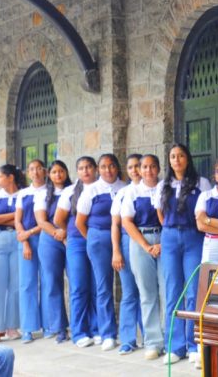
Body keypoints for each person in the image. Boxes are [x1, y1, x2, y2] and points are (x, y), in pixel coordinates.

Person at [155, 144, 211, 367]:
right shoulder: (163, 185)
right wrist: (170, 229)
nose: (177, 160)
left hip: (193, 237)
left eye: (180, 156)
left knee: (194, 290)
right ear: (169, 160)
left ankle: (194, 345)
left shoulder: (201, 183)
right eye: (173, 156)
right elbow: (160, 213)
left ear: (187, 159)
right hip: (169, 237)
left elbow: (204, 212)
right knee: (172, 291)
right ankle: (174, 346)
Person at [75, 154, 126, 352]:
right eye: (103, 167)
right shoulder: (91, 190)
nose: (108, 170)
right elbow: (80, 222)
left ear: (117, 167)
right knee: (104, 288)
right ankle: (108, 334)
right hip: (99, 239)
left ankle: (131, 332)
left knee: (130, 286)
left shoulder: (125, 187)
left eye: (111, 166)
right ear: (98, 169)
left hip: (123, 239)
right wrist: (93, 240)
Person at [121, 154, 164, 360]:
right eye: (144, 167)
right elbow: (127, 222)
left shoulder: (165, 188)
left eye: (152, 166)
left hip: (164, 240)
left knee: (167, 291)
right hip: (141, 241)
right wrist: (146, 246)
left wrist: (162, 243)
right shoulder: (132, 191)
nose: (148, 170)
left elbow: (170, 217)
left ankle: (171, 339)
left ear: (158, 168)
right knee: (147, 293)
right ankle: (153, 342)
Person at [54, 156, 99, 348]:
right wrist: (70, 235)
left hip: (97, 240)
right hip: (77, 242)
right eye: (81, 168)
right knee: (79, 286)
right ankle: (79, 332)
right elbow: (58, 219)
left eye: (89, 167)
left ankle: (97, 329)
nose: (85, 171)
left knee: (97, 286)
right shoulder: (70, 191)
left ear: (95, 169)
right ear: (77, 171)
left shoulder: (101, 188)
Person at [0, 164, 25, 340]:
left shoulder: (23, 194)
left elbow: (26, 218)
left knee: (15, 285)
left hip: (18, 239)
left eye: (0, 177)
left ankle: (12, 327)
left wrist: (2, 219)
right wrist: (16, 216)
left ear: (10, 177)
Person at [34, 160, 71, 343]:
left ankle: (82, 325)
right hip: (50, 239)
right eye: (54, 172)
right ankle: (59, 327)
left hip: (71, 236)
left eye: (61, 171)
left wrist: (65, 233)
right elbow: (41, 221)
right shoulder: (42, 194)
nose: (58, 175)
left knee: (77, 282)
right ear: (49, 174)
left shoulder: (73, 190)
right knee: (52, 282)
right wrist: (58, 233)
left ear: (66, 172)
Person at [110, 153, 142, 355]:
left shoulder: (157, 188)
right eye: (130, 167)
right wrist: (116, 251)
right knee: (129, 292)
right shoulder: (122, 193)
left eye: (138, 165)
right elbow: (115, 224)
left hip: (149, 241)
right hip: (127, 242)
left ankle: (152, 338)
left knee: (149, 292)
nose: (135, 170)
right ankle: (128, 340)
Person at [14, 159, 48, 343]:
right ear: (28, 173)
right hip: (26, 241)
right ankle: (28, 328)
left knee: (48, 282)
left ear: (45, 171)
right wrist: (25, 240)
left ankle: (49, 325)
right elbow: (17, 220)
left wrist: (31, 232)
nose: (35, 172)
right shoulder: (23, 193)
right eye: (32, 169)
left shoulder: (50, 191)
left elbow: (48, 220)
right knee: (27, 284)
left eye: (39, 169)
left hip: (46, 239)